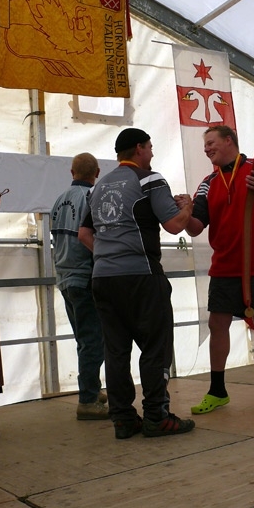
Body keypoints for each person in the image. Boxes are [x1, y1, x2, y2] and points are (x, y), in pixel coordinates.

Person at [78, 128, 196, 439]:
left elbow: (84, 234)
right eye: (150, 147)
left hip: (103, 277)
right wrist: (187, 207)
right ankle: (157, 416)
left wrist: (107, 255)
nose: (152, 153)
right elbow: (174, 225)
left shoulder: (98, 187)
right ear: (140, 148)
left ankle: (123, 419)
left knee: (116, 350)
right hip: (142, 276)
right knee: (156, 346)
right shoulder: (149, 179)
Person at [179, 125, 254, 415]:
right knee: (217, 325)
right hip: (225, 268)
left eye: (211, 142)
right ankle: (217, 391)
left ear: (229, 141)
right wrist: (184, 212)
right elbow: (196, 228)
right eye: (205, 145)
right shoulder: (208, 183)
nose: (206, 148)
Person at [51, 153, 108, 420]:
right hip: (84, 276)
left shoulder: (59, 200)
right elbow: (94, 236)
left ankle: (92, 389)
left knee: (84, 339)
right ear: (97, 173)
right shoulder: (92, 198)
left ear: (71, 172)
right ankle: (87, 400)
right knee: (93, 340)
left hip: (64, 276)